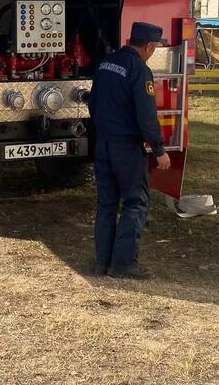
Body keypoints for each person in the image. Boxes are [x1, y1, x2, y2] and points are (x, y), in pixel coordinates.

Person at [87, 21, 171, 280]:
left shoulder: (105, 64)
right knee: (135, 202)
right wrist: (159, 149)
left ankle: (102, 263)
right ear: (148, 46)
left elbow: (93, 103)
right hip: (126, 148)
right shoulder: (139, 70)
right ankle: (123, 264)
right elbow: (146, 116)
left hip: (104, 143)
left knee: (107, 204)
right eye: (154, 48)